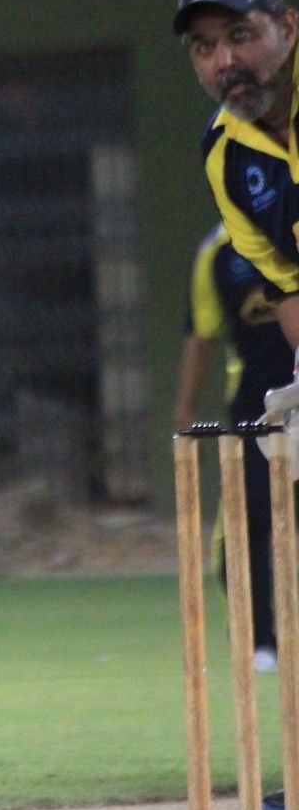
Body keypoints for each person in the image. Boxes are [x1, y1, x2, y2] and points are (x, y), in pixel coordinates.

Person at [176, 0, 299, 810]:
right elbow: (288, 284)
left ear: (288, 26)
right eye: (205, 47)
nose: (225, 61)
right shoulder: (228, 155)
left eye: (241, 36)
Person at [171, 224, 291, 674]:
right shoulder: (219, 251)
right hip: (255, 409)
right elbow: (201, 334)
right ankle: (259, 640)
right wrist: (184, 408)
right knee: (245, 523)